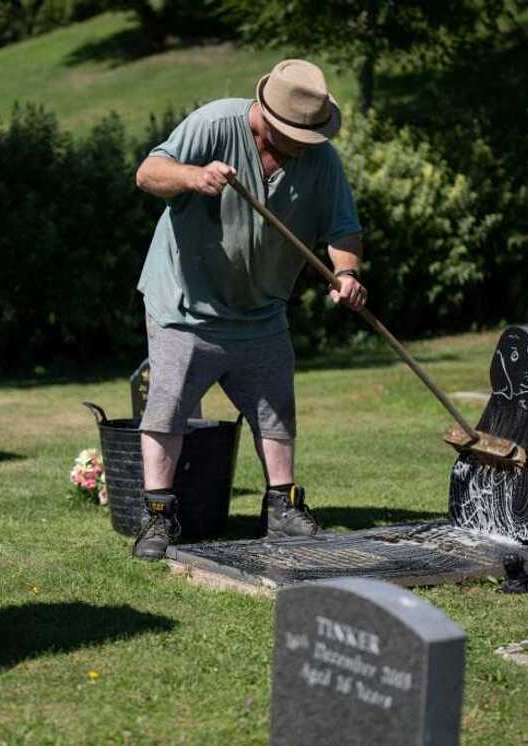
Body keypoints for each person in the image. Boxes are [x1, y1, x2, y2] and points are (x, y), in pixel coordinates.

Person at [131, 59, 366, 560]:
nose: (305, 145)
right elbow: (148, 173)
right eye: (296, 135)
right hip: (184, 307)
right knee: (166, 411)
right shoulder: (215, 124)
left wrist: (346, 274)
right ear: (267, 116)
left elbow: (343, 227)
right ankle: (157, 516)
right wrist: (192, 176)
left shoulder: (321, 161)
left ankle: (282, 509)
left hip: (261, 312)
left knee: (276, 410)